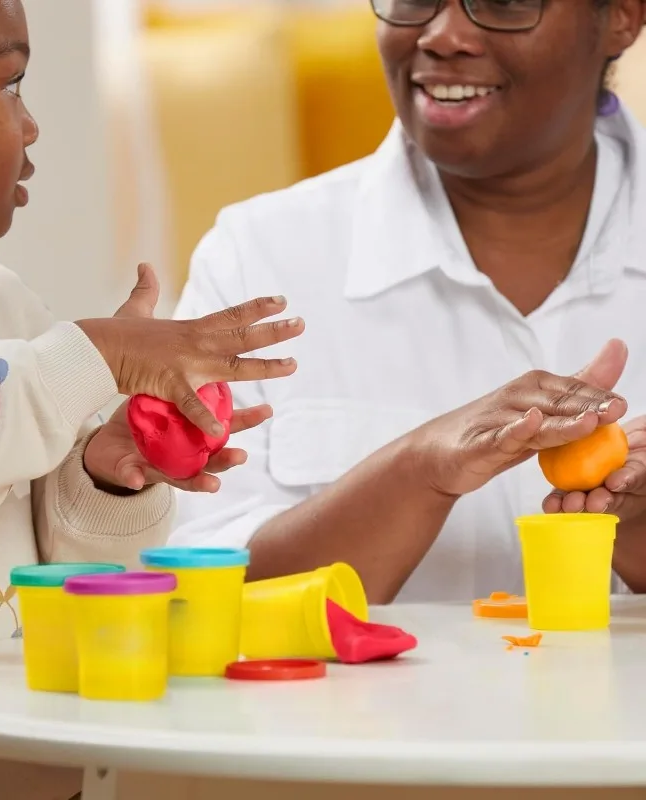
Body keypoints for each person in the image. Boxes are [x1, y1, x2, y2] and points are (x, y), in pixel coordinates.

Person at [0, 0, 304, 797]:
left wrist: (101, 473)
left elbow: (85, 580)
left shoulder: (7, 305)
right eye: (11, 85)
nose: (30, 128)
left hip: (39, 773)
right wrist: (99, 352)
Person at [170, 0, 646, 603]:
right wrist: (419, 470)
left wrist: (633, 533)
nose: (443, 35)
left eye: (503, 2)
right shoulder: (258, 259)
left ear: (621, 18)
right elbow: (198, 593)